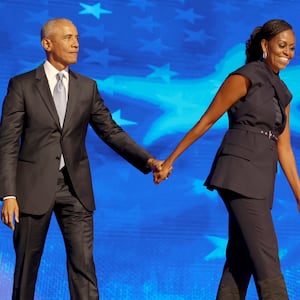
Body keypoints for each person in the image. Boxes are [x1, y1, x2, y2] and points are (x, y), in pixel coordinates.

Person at [0, 18, 163, 300]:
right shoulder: (22, 85)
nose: (76, 43)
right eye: (67, 37)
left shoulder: (87, 87)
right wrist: (8, 194)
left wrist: (148, 161)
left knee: (83, 265)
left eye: (77, 36)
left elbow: (111, 131)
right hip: (33, 188)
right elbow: (7, 142)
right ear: (47, 44)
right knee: (27, 268)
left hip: (75, 189)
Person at [154, 19, 300, 299]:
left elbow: (285, 148)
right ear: (265, 45)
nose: (288, 53)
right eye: (282, 46)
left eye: (292, 48)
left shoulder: (284, 93)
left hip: (262, 177)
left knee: (241, 257)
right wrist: (170, 159)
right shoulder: (244, 76)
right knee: (267, 256)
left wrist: (298, 194)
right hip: (238, 172)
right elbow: (207, 120)